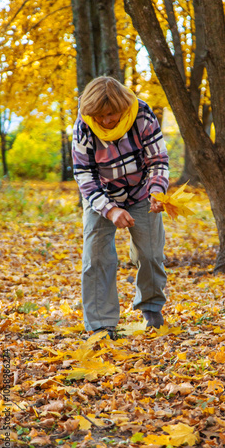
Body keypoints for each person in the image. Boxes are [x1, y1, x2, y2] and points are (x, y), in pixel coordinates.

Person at [72, 76, 170, 340]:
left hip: (141, 192)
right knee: (97, 257)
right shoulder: (84, 125)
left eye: (111, 114)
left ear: (123, 108)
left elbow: (158, 158)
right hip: (101, 195)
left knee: (150, 253)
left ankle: (150, 307)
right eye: (100, 116)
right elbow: (84, 174)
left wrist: (157, 190)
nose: (106, 121)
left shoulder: (142, 116)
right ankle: (100, 325)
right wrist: (110, 210)